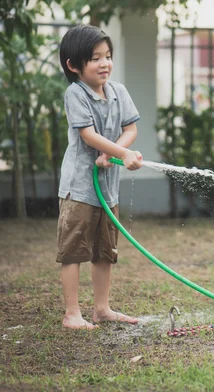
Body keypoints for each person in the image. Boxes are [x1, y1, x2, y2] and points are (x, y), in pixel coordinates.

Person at [57, 24, 144, 329]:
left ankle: (102, 308)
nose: (105, 63)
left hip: (107, 190)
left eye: (107, 56)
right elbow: (88, 135)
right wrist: (122, 155)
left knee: (104, 251)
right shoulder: (75, 93)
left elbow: (130, 129)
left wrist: (115, 152)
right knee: (73, 251)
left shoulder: (118, 91)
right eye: (95, 58)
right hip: (79, 188)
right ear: (73, 65)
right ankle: (72, 313)